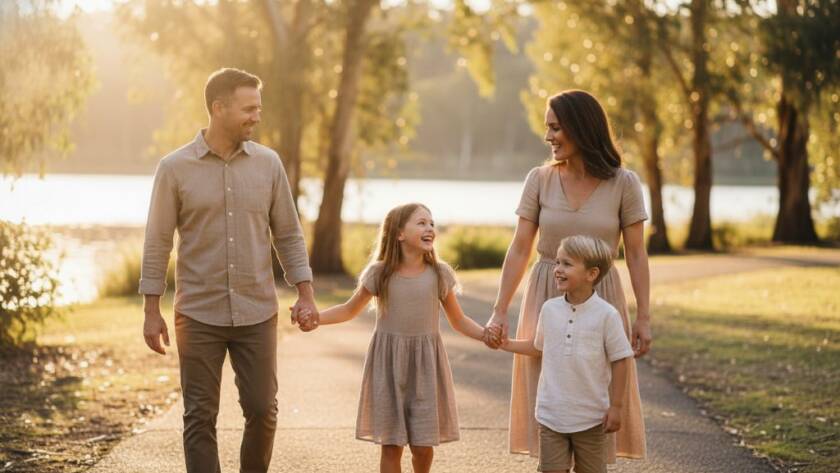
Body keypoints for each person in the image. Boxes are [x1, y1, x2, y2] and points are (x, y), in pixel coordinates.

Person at [139, 67, 318, 473]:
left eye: (258, 108)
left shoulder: (269, 165)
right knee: (199, 416)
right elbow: (157, 242)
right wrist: (151, 309)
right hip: (198, 313)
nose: (257, 116)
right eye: (248, 108)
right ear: (218, 108)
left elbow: (287, 235)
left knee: (262, 409)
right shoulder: (174, 168)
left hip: (257, 311)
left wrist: (305, 293)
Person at [486, 89, 650, 461]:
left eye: (556, 128)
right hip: (546, 292)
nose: (548, 137)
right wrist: (499, 310)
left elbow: (637, 254)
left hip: (601, 294)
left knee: (597, 386)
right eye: (548, 128)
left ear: (581, 127)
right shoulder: (539, 179)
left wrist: (643, 316)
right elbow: (520, 248)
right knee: (548, 389)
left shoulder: (624, 183)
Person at [297, 203, 491, 473]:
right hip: (388, 367)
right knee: (391, 446)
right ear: (399, 233)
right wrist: (317, 318)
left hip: (426, 368)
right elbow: (349, 309)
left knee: (423, 447)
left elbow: (458, 320)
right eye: (421, 223)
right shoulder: (379, 273)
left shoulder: (440, 274)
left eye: (432, 223)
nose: (430, 228)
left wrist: (486, 335)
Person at [501, 235, 633, 473]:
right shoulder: (549, 309)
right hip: (551, 415)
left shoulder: (606, 315)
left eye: (567, 264)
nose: (557, 270)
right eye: (558, 262)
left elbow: (621, 360)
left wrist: (616, 407)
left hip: (592, 418)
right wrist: (505, 343)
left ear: (591, 274)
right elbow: (537, 347)